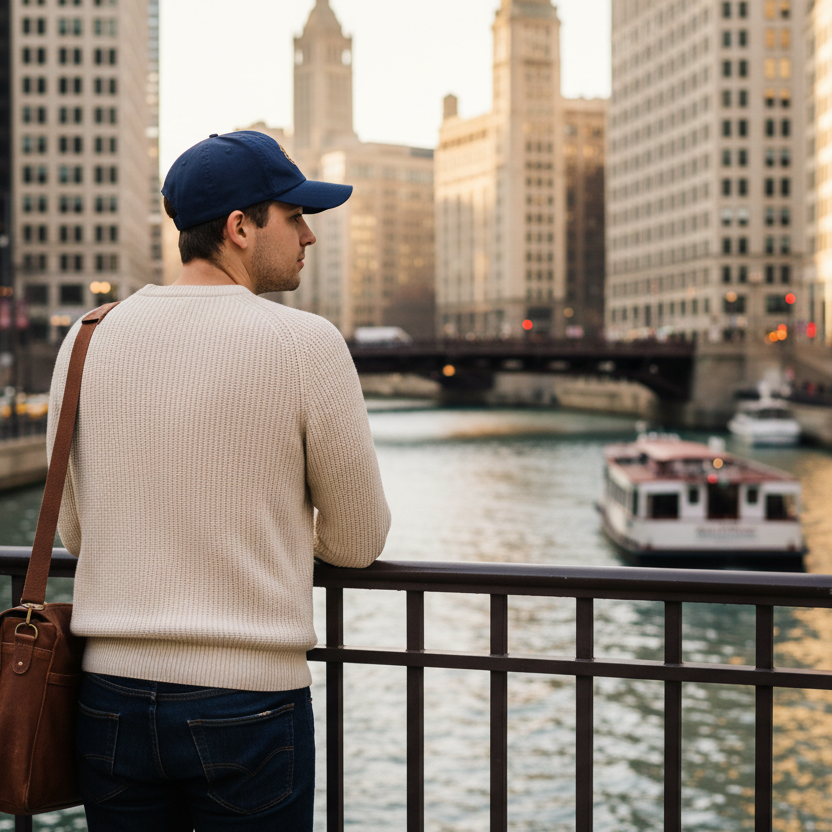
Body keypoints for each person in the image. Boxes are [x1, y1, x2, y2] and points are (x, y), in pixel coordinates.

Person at [47, 130, 391, 831]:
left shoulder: (85, 337)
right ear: (239, 228)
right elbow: (358, 542)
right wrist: (269, 540)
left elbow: (75, 531)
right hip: (248, 704)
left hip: (108, 695)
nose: (308, 236)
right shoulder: (306, 343)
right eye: (293, 216)